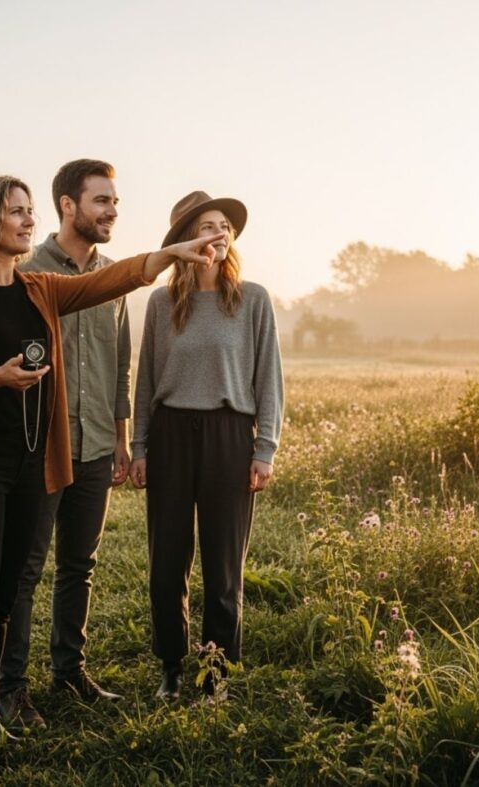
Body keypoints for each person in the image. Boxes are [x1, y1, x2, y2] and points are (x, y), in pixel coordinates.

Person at [0, 175, 219, 779]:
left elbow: (112, 278)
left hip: (32, 466)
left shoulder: (40, 289)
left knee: (2, 602)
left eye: (30, 212)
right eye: (16, 213)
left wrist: (172, 255)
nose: (28, 223)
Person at [129, 190, 284, 702]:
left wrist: (264, 449)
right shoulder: (160, 302)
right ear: (185, 241)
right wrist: (141, 445)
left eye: (224, 226)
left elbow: (269, 382)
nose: (217, 234)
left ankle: (217, 671)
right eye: (206, 226)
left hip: (228, 437)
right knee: (167, 558)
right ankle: (172, 666)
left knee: (223, 564)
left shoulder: (253, 299)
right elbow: (146, 377)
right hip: (172, 435)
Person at [0, 159, 131, 730]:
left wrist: (122, 441)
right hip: (40, 446)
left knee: (81, 564)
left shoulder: (116, 278)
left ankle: (69, 670)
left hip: (98, 443)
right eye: (101, 201)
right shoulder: (26, 271)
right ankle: (9, 689)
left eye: (114, 202)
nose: (112, 212)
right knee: (25, 569)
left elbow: (120, 363)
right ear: (68, 206)